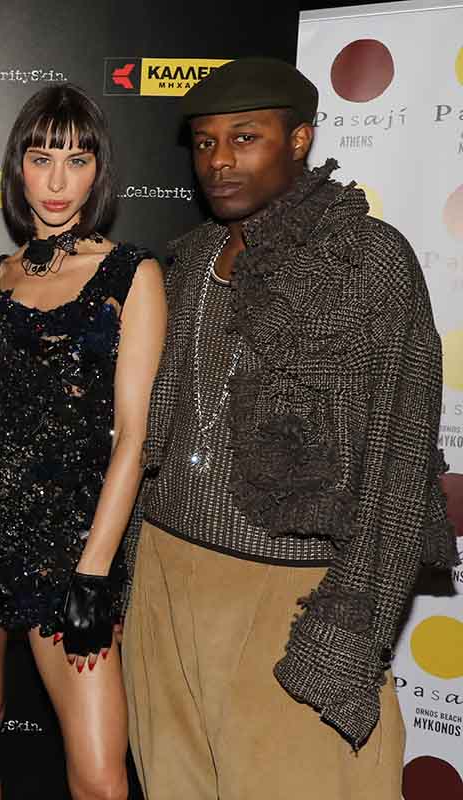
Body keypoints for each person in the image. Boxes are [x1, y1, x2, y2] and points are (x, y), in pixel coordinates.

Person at [121, 57, 456, 799]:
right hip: (166, 574)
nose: (219, 160)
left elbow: (399, 458)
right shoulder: (191, 256)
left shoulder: (366, 258)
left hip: (290, 588)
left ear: (299, 139)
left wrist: (350, 621)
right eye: (205, 142)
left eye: (245, 138)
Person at [0, 84, 165, 800]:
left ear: (99, 171)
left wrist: (94, 571)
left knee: (101, 779)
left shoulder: (132, 273)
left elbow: (133, 437)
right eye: (42, 159)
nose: (58, 180)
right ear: (19, 169)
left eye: (77, 160)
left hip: (74, 543)